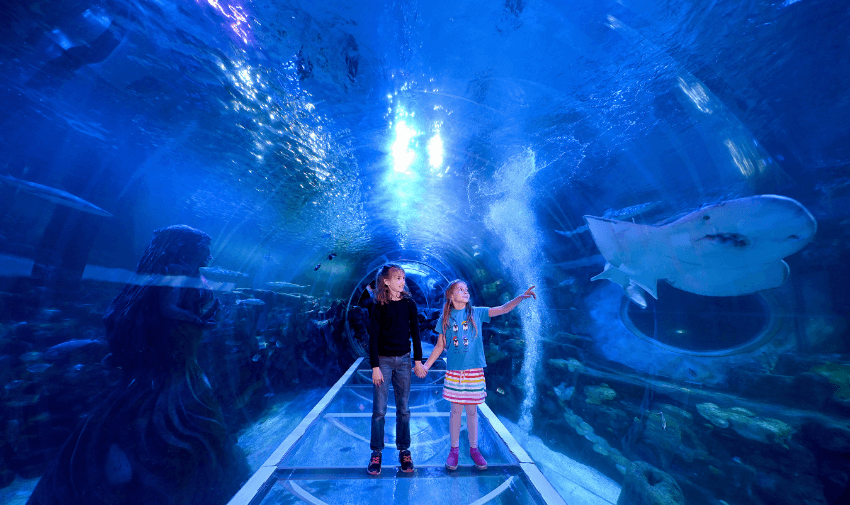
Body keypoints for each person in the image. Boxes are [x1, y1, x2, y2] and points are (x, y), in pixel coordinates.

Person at [28, 225, 248, 505]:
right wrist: (199, 321)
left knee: (185, 416)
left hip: (183, 358)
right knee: (158, 419)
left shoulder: (190, 273)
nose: (210, 254)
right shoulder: (175, 271)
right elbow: (168, 309)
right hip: (170, 361)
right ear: (186, 248)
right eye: (205, 248)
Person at [422, 280, 536, 471]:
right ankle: (454, 450)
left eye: (467, 289)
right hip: (455, 373)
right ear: (451, 296)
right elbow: (440, 346)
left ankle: (474, 449)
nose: (465, 292)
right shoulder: (445, 318)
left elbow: (502, 309)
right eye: (461, 289)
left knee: (472, 412)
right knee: (455, 412)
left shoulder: (476, 312)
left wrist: (519, 299)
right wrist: (426, 365)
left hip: (474, 371)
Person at [367, 264, 426, 475]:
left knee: (404, 408)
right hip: (382, 361)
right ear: (386, 281)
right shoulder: (377, 306)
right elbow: (373, 339)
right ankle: (376, 452)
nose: (402, 281)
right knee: (379, 410)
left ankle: (404, 450)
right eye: (398, 277)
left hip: (403, 360)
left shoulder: (409, 304)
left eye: (403, 277)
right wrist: (375, 367)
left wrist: (417, 361)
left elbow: (416, 334)